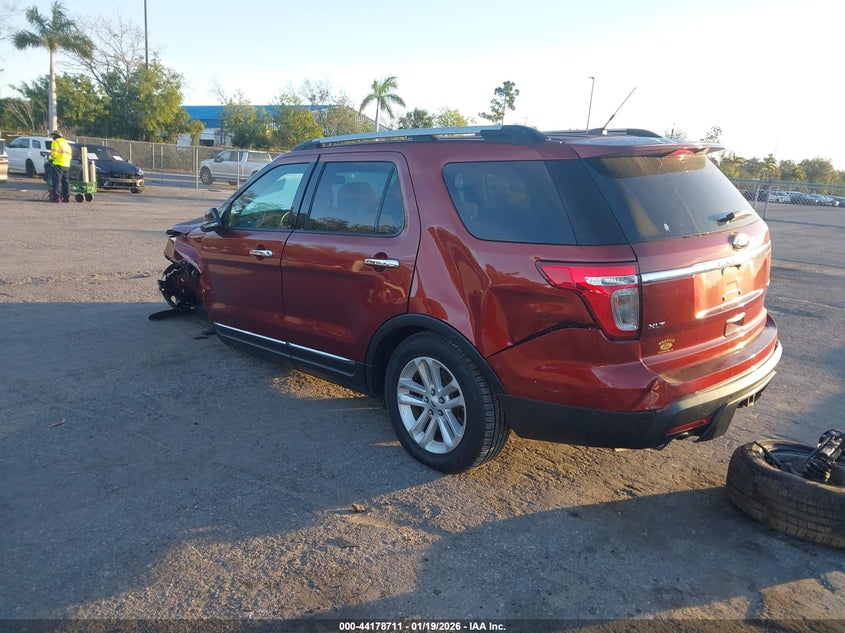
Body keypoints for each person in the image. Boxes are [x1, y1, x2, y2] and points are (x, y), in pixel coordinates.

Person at [48, 130, 72, 203]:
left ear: (56, 136)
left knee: (57, 181)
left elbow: (54, 154)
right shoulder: (66, 144)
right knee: (65, 182)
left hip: (58, 164)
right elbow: (70, 155)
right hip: (66, 164)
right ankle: (66, 197)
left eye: (53, 136)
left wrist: (49, 158)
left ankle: (57, 197)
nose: (52, 137)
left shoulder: (55, 142)